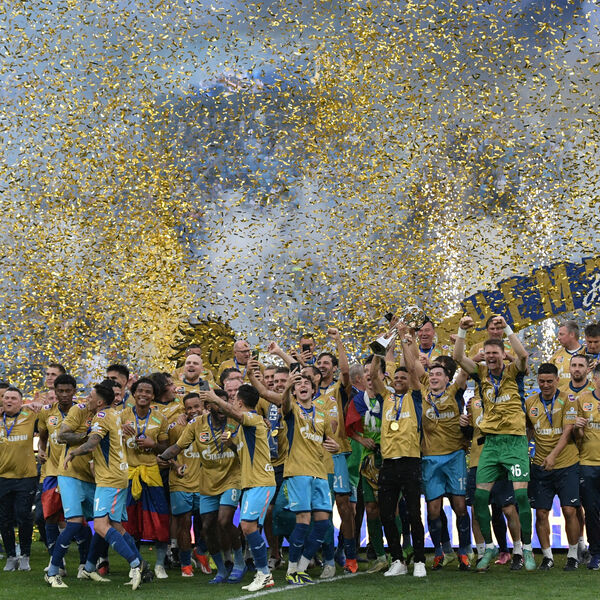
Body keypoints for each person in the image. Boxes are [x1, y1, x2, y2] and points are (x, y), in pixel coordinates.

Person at [453, 314, 535, 571]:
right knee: (479, 498)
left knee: (520, 496)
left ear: (502, 354)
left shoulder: (513, 372)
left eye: (494, 353)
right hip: (491, 444)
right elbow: (458, 357)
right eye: (487, 353)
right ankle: (489, 547)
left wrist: (507, 327)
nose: (490, 357)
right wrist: (462, 330)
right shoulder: (481, 374)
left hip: (515, 443)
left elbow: (523, 355)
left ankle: (527, 549)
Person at [58, 382, 144, 590]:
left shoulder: (102, 416)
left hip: (109, 479)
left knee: (99, 526)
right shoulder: (115, 414)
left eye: (90, 396)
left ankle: (135, 565)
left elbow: (92, 443)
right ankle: (94, 567)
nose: (87, 399)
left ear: (99, 402)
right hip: (119, 475)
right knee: (115, 525)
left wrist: (73, 453)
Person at [157, 388, 243, 585]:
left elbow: (246, 449)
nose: (222, 408)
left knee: (224, 520)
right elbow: (178, 446)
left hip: (232, 478)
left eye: (225, 404)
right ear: (209, 406)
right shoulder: (197, 425)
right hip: (208, 482)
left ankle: (238, 562)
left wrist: (231, 444)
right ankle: (221, 570)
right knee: (207, 527)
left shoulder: (236, 421)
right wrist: (162, 456)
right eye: (217, 404)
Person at [404, 330, 471, 571]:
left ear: (447, 378)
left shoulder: (454, 391)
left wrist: (462, 338)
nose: (433, 377)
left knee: (460, 506)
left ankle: (465, 552)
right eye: (431, 374)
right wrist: (406, 341)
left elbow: (465, 368)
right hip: (430, 458)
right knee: (433, 510)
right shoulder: (422, 392)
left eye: (438, 374)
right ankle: (440, 552)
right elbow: (412, 365)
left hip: (455, 456)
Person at [200, 384, 277, 591]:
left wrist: (214, 399)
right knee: (248, 527)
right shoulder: (245, 427)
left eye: (234, 400)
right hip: (251, 484)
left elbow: (235, 414)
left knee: (248, 527)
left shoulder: (253, 419)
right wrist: (231, 444)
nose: (232, 403)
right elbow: (242, 452)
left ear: (240, 403)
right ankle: (263, 573)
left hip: (261, 482)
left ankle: (264, 573)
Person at [371, 340, 427, 578]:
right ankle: (397, 560)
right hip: (388, 463)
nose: (399, 380)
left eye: (403, 378)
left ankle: (420, 560)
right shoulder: (386, 397)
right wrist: (378, 353)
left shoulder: (415, 397)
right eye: (396, 378)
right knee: (386, 514)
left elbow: (413, 370)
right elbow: (373, 376)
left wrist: (404, 340)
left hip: (410, 461)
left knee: (413, 513)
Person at [277, 372, 339, 585]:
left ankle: (301, 568)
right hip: (298, 472)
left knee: (323, 523)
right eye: (299, 384)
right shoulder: (292, 409)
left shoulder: (322, 414)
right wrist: (287, 386)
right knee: (303, 519)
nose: (302, 386)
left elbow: (327, 440)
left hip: (320, 473)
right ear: (295, 391)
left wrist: (335, 446)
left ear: (313, 390)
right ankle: (291, 569)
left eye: (307, 383)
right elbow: (284, 404)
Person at [526, 363, 580, 571]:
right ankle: (547, 557)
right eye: (542, 381)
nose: (546, 385)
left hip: (566, 463)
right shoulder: (530, 402)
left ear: (557, 380)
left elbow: (568, 432)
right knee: (541, 513)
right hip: (541, 466)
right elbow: (528, 431)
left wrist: (553, 456)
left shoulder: (568, 399)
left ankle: (573, 556)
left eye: (550, 381)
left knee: (569, 510)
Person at [121, 377, 170, 579]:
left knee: (160, 520)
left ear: (153, 396)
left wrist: (153, 445)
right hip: (129, 474)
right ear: (134, 393)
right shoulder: (122, 416)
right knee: (130, 522)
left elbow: (166, 448)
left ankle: (160, 564)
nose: (143, 394)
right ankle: (136, 563)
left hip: (152, 474)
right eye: (140, 390)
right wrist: (119, 431)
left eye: (148, 392)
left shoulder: (160, 418)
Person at [159, 392, 205, 577]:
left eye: (196, 406)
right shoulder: (176, 427)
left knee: (210, 522)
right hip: (181, 482)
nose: (193, 411)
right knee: (184, 522)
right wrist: (175, 465)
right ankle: (186, 565)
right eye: (189, 408)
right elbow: (166, 451)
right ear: (184, 410)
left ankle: (200, 551)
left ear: (204, 406)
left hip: (206, 483)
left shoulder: (212, 425)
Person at [37, 374, 78, 573]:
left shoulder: (82, 412)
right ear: (55, 392)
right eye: (60, 391)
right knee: (49, 517)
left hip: (76, 472)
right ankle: (57, 561)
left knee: (77, 518)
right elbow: (43, 437)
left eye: (68, 391)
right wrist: (41, 449)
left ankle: (85, 563)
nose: (64, 395)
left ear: (74, 391)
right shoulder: (47, 412)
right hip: (52, 472)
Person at [0, 387, 38, 572]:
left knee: (23, 516)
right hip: (2, 477)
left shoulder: (30, 415)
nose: (9, 401)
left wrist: (35, 405)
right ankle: (10, 556)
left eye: (13, 398)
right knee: (4, 518)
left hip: (26, 476)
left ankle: (25, 556)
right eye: (6, 398)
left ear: (21, 402)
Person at [574, 363, 600, 569]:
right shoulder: (583, 400)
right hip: (588, 463)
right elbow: (577, 436)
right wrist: (578, 428)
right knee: (591, 511)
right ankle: (596, 553)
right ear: (595, 379)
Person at [550, 321, 584, 385]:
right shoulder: (557, 354)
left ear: (572, 334)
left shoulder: (587, 353)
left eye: (561, 334)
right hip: (560, 391)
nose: (558, 338)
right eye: (558, 335)